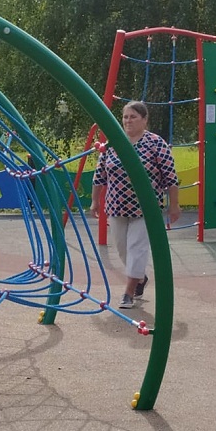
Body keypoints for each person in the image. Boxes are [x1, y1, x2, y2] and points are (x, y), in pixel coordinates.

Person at [89, 101, 180, 309]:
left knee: (136, 247)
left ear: (145, 120)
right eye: (125, 117)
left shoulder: (155, 143)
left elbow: (171, 178)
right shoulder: (114, 143)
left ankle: (128, 292)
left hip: (145, 208)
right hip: (116, 206)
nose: (128, 121)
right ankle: (140, 278)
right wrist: (95, 201)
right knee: (122, 249)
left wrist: (174, 205)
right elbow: (99, 175)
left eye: (133, 117)